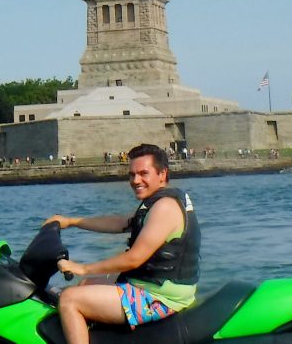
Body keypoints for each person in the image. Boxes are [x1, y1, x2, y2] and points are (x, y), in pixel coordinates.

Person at [44, 143, 199, 344]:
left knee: (69, 299)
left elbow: (134, 259)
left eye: (143, 173)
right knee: (85, 286)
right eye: (131, 174)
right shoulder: (159, 201)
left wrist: (82, 267)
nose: (136, 180)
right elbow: (120, 222)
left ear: (162, 174)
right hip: (154, 285)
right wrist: (72, 221)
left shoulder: (165, 208)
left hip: (161, 297)